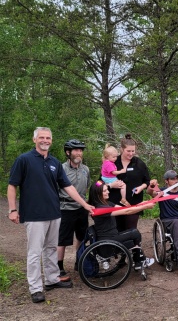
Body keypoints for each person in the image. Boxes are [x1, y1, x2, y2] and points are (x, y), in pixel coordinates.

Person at [7, 127, 94, 304]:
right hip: (34, 214)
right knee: (34, 252)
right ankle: (36, 288)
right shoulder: (24, 160)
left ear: (51, 141)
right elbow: (12, 185)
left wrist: (85, 204)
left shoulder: (54, 162)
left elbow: (68, 187)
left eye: (48, 138)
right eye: (42, 137)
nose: (45, 140)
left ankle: (52, 279)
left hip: (54, 213)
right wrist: (12, 209)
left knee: (51, 248)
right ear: (35, 140)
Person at [88, 181, 155, 269]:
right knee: (134, 233)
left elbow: (126, 208)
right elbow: (127, 212)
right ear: (98, 194)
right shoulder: (101, 208)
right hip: (108, 242)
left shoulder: (107, 204)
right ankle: (139, 261)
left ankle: (138, 260)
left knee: (133, 234)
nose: (108, 192)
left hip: (112, 237)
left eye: (107, 190)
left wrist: (141, 204)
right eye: (104, 191)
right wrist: (145, 207)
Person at [57, 139, 90, 277]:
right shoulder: (61, 169)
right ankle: (59, 266)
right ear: (68, 152)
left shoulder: (85, 169)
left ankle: (79, 260)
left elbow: (87, 186)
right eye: (76, 150)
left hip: (81, 207)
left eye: (81, 150)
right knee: (62, 239)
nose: (79, 153)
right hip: (65, 207)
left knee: (82, 236)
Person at [107, 134, 151, 232]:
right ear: (122, 149)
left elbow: (147, 181)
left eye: (133, 151)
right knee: (117, 231)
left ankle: (133, 247)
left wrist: (141, 187)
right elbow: (98, 183)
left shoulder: (139, 163)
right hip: (114, 203)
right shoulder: (111, 162)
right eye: (128, 151)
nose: (131, 154)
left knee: (131, 230)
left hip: (133, 203)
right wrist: (110, 185)